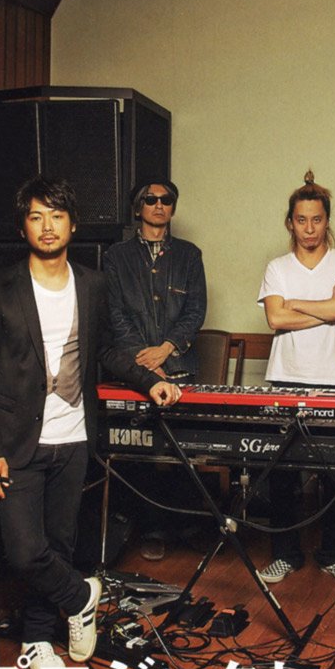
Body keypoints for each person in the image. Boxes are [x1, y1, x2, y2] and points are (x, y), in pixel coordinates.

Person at [0, 177, 181, 669]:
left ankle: (40, 639)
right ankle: (82, 596)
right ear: (23, 226)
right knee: (25, 551)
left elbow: (106, 351)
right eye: (37, 216)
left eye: (57, 216)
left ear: (73, 225)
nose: (48, 226)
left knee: (59, 544)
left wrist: (150, 380)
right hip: (15, 442)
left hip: (74, 436)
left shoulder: (92, 283)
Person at [255, 170, 335, 585]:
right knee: (282, 473)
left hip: (332, 378)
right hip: (284, 377)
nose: (310, 228)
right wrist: (322, 307)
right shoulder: (277, 266)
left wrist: (296, 303)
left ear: (326, 220)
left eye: (317, 219)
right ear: (290, 222)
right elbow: (275, 319)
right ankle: (285, 555)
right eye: (302, 220)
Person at [104, 179, 207, 560]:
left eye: (166, 200)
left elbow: (196, 311)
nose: (159, 205)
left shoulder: (190, 255)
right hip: (134, 371)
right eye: (150, 199)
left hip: (179, 366)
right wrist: (145, 365)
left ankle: (187, 527)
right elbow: (115, 315)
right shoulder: (116, 257)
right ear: (138, 208)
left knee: (183, 454)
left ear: (173, 208)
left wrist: (165, 350)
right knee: (141, 454)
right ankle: (151, 529)